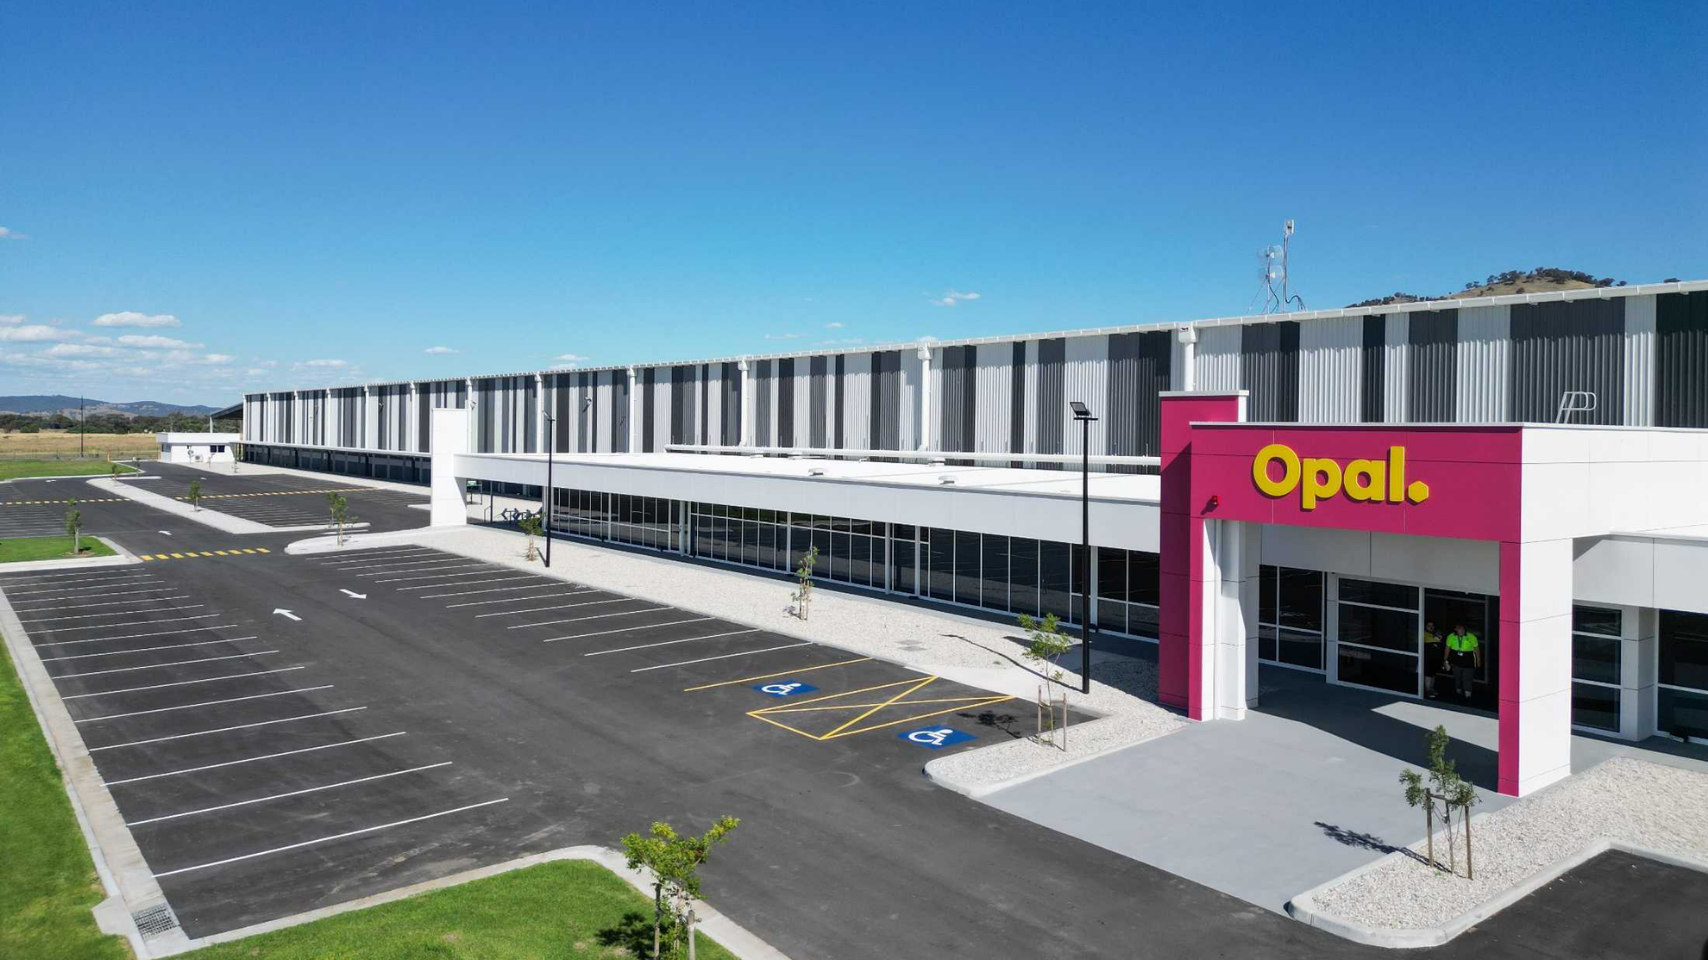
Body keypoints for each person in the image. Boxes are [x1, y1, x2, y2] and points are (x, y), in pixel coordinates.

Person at [1445, 622, 1480, 700]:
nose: (1461, 630)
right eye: (1459, 628)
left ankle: (1468, 697)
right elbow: (1447, 648)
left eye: (1463, 628)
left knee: (1467, 679)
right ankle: (1458, 695)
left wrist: (1478, 661)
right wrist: (1445, 660)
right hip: (1456, 661)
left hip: (1468, 661)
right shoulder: (1451, 636)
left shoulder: (1471, 637)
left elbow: (1477, 650)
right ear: (1455, 629)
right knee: (1457, 678)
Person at [1422, 621, 1443, 698]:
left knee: (1433, 675)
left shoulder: (1433, 634)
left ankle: (1431, 689)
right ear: (1425, 626)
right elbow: (1438, 639)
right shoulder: (1424, 634)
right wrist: (1437, 635)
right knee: (1428, 675)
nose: (1431, 627)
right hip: (1428, 659)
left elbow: (1439, 638)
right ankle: (1427, 691)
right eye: (1429, 625)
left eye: (1432, 625)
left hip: (1435, 659)